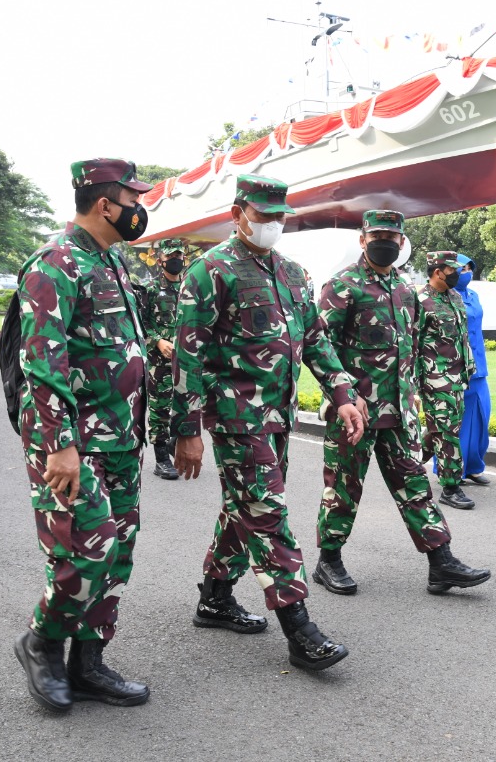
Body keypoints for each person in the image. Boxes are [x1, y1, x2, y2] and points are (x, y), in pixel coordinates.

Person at [173, 173, 365, 672]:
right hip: (237, 417)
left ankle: (215, 597)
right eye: (264, 216)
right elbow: (188, 358)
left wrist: (343, 393)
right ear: (239, 213)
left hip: (279, 416)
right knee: (267, 511)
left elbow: (317, 342)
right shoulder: (209, 271)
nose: (273, 225)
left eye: (281, 216)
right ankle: (299, 628)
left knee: (245, 508)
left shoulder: (295, 274)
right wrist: (188, 428)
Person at [12, 158, 152, 713]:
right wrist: (59, 445)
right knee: (87, 549)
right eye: (132, 199)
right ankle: (41, 643)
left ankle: (88, 663)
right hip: (73, 441)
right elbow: (42, 361)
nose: (139, 209)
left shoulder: (111, 261)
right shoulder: (56, 262)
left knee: (118, 554)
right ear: (105, 204)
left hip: (118, 434)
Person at [313, 211, 490, 596]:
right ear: (363, 239)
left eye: (393, 237)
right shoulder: (343, 286)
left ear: (401, 242)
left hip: (398, 413)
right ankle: (329, 560)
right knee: (344, 488)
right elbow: (319, 347)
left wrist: (418, 401)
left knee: (414, 485)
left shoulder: (406, 290)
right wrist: (342, 394)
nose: (386, 242)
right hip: (355, 413)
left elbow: (411, 350)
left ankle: (440, 561)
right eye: (378, 235)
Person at [417, 251, 478, 510]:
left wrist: (469, 367)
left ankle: (411, 457)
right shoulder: (419, 301)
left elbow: (461, 337)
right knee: (449, 433)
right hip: (436, 378)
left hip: (458, 376)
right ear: (438, 271)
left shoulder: (454, 297)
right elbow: (411, 344)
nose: (459, 275)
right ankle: (450, 488)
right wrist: (415, 384)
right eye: (453, 270)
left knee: (442, 428)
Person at [138, 239, 186, 480]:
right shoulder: (151, 289)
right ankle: (161, 459)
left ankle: (172, 444)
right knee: (160, 408)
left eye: (179, 255)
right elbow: (140, 323)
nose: (176, 259)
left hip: (186, 360)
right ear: (160, 260)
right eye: (171, 256)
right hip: (160, 362)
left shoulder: (189, 288)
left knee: (185, 406)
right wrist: (157, 340)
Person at [454, 254, 492, 485]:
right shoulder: (445, 297)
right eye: (461, 268)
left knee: (481, 415)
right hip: (457, 366)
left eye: (470, 268)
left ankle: (474, 467)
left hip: (479, 366)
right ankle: (452, 470)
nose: (467, 272)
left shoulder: (473, 295)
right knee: (457, 420)